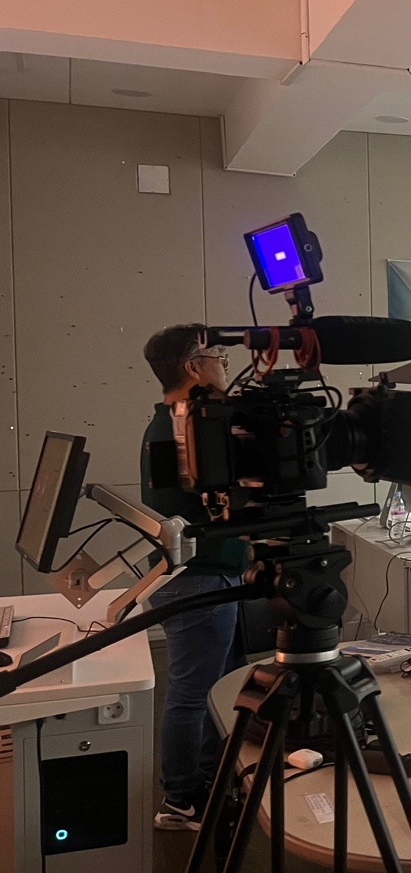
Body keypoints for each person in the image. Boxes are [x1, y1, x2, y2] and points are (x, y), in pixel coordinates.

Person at [141, 324, 249, 831]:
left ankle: (208, 778)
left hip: (205, 577)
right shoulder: (183, 430)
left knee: (214, 688)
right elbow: (218, 505)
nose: (225, 365)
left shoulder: (172, 423)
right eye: (219, 356)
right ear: (193, 368)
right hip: (198, 581)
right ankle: (180, 801)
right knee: (191, 694)